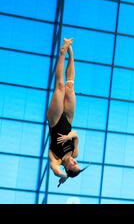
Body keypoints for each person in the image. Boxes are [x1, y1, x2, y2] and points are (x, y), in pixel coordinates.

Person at [47, 38, 83, 187]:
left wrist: (62, 175)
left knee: (60, 86)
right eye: (77, 163)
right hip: (68, 119)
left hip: (54, 121)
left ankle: (62, 53)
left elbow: (55, 170)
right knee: (70, 86)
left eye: (74, 164)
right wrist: (69, 135)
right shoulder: (75, 153)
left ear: (68, 168)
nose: (75, 161)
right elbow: (76, 135)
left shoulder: (56, 159)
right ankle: (70, 51)